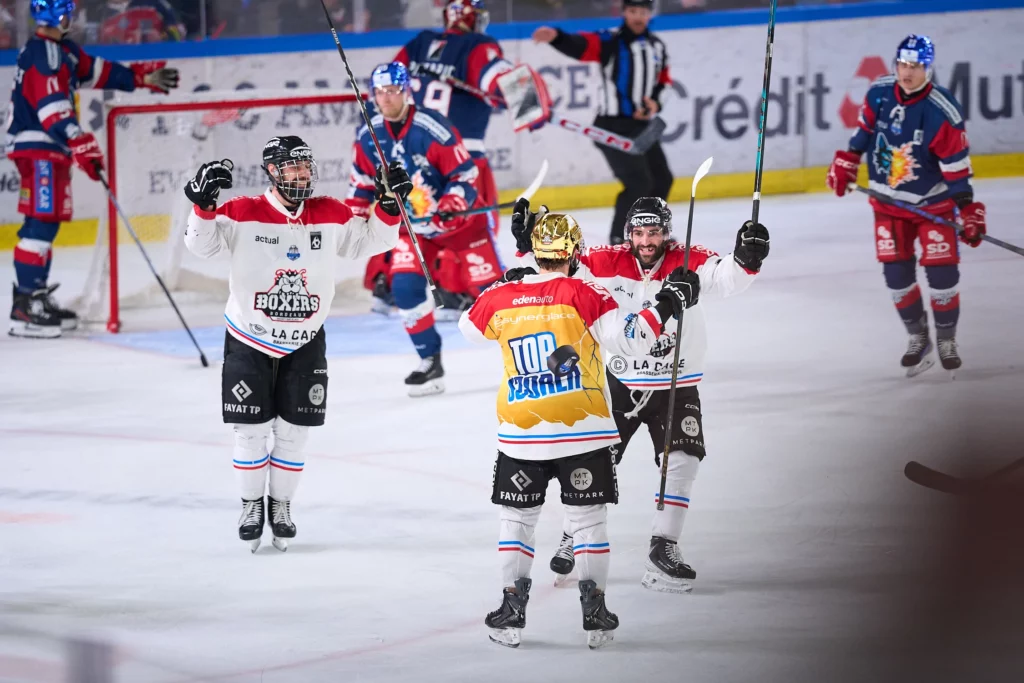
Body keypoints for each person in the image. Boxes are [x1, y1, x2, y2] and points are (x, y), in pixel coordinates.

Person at [459, 211, 699, 648]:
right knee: (589, 523)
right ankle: (595, 608)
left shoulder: (503, 293)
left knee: (517, 519)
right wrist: (667, 303)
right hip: (584, 431)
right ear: (572, 252)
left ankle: (512, 610)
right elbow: (629, 338)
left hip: (522, 432)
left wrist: (503, 284)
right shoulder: (583, 291)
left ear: (532, 252)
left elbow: (468, 328)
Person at [512, 197, 769, 593]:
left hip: (675, 383)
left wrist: (747, 258)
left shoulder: (690, 259)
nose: (646, 241)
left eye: (654, 232)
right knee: (595, 464)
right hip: (618, 384)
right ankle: (571, 537)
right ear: (628, 233)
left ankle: (663, 546)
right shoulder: (604, 260)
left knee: (683, 459)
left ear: (666, 232)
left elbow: (727, 277)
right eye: (638, 232)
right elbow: (554, 274)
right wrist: (529, 248)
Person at [183, 136, 411, 552]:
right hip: (249, 339)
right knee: (250, 433)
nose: (302, 173)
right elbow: (202, 245)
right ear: (272, 171)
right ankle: (252, 505)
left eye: (306, 165)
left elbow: (372, 242)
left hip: (305, 342)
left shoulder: (330, 213)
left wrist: (389, 206)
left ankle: (281, 505)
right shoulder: (242, 212)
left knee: (294, 433)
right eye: (292, 166)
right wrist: (202, 208)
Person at [7, 0, 179, 338]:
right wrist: (77, 138)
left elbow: (98, 71)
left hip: (46, 147)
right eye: (67, 9)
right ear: (56, 14)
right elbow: (51, 107)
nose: (74, 14)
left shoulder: (61, 50)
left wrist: (140, 77)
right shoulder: (46, 53)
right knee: (40, 222)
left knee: (46, 221)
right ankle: (26, 306)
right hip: (40, 146)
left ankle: (35, 297)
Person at [827, 34, 985, 379]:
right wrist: (848, 161)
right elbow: (863, 135)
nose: (907, 72)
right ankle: (919, 338)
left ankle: (946, 339)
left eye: (915, 66)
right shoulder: (878, 93)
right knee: (896, 277)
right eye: (902, 64)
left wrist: (968, 210)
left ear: (927, 68)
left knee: (942, 275)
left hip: (934, 205)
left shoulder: (943, 111)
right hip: (887, 204)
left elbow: (957, 171)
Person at [347, 61, 504, 397]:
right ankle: (429, 362)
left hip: (460, 225)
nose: (386, 98)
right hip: (414, 228)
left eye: (392, 91)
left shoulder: (433, 128)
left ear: (406, 91)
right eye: (380, 92)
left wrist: (452, 203)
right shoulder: (368, 134)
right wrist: (352, 218)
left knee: (493, 293)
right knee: (403, 286)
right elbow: (360, 184)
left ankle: (526, 357)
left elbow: (465, 175)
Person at [364, 0, 515, 315]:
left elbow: (383, 89)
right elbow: (503, 81)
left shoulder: (419, 43)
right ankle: (456, 292)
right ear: (473, 18)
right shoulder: (478, 45)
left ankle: (387, 285)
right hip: (459, 154)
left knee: (403, 219)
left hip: (409, 150)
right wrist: (529, 103)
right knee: (464, 224)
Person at [532, 0, 673, 245]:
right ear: (624, 12)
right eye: (632, 11)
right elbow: (583, 45)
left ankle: (650, 235)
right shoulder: (611, 41)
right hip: (611, 127)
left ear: (650, 14)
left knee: (662, 179)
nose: (638, 17)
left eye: (643, 12)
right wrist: (557, 37)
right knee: (639, 183)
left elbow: (665, 81)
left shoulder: (657, 46)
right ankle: (620, 238)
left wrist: (655, 104)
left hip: (642, 127)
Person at [97, 0, 187, 43]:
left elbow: (178, 34)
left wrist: (161, 36)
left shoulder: (159, 5)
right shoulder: (107, 8)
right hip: (121, 58)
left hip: (154, 58)